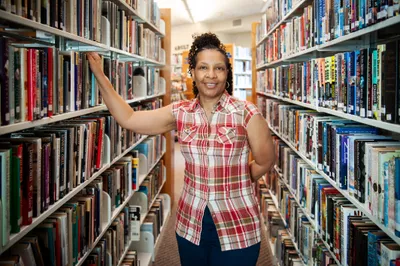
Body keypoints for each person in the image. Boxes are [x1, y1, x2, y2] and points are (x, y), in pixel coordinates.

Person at [87, 32, 275, 266]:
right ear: (193, 73)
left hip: (238, 225)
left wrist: (235, 180)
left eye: (219, 68)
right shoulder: (180, 112)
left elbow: (266, 161)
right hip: (190, 224)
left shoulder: (247, 112)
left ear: (227, 73)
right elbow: (130, 118)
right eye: (203, 67)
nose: (211, 75)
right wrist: (100, 75)